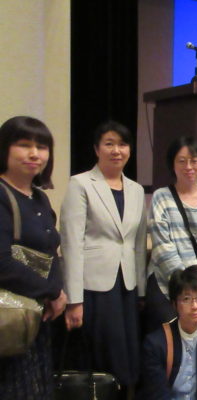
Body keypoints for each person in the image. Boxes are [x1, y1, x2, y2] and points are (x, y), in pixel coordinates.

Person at [60, 121, 147, 395]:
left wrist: (141, 291)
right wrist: (74, 300)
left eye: (122, 144)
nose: (116, 150)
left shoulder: (136, 190)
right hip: (94, 288)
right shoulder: (81, 184)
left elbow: (137, 244)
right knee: (100, 358)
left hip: (126, 286)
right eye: (109, 144)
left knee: (126, 356)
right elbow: (71, 243)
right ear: (97, 149)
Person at [0, 116, 67, 399]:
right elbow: (2, 262)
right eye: (24, 145)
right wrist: (52, 291)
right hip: (7, 318)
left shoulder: (40, 198)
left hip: (35, 316)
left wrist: (57, 291)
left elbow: (50, 252)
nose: (34, 154)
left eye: (42, 147)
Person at [146, 136, 197, 332]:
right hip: (168, 283)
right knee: (170, 339)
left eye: (194, 160)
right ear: (172, 164)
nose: (189, 167)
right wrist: (184, 288)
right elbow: (162, 247)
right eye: (182, 161)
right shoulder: (161, 197)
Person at [138, 266, 197, 400]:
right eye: (187, 299)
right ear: (174, 304)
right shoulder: (155, 344)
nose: (195, 306)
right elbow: (158, 394)